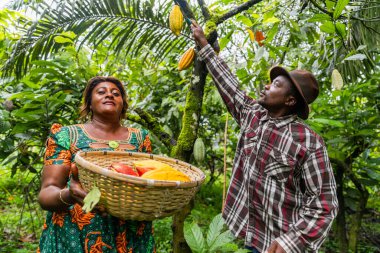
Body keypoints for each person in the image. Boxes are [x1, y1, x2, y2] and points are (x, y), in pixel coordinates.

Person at [191, 21, 338, 253]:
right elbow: (229, 85)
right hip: (250, 234)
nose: (267, 87)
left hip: (281, 243)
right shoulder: (253, 115)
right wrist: (203, 44)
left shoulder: (308, 142)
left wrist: (291, 241)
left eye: (276, 85)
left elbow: (325, 204)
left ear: (289, 101)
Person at [37, 76, 155, 253]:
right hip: (75, 236)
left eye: (116, 93)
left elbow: (148, 179)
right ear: (90, 104)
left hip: (129, 233)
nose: (109, 95)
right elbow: (46, 194)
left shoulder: (140, 138)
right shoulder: (66, 135)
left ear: (122, 104)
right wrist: (70, 195)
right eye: (101, 92)